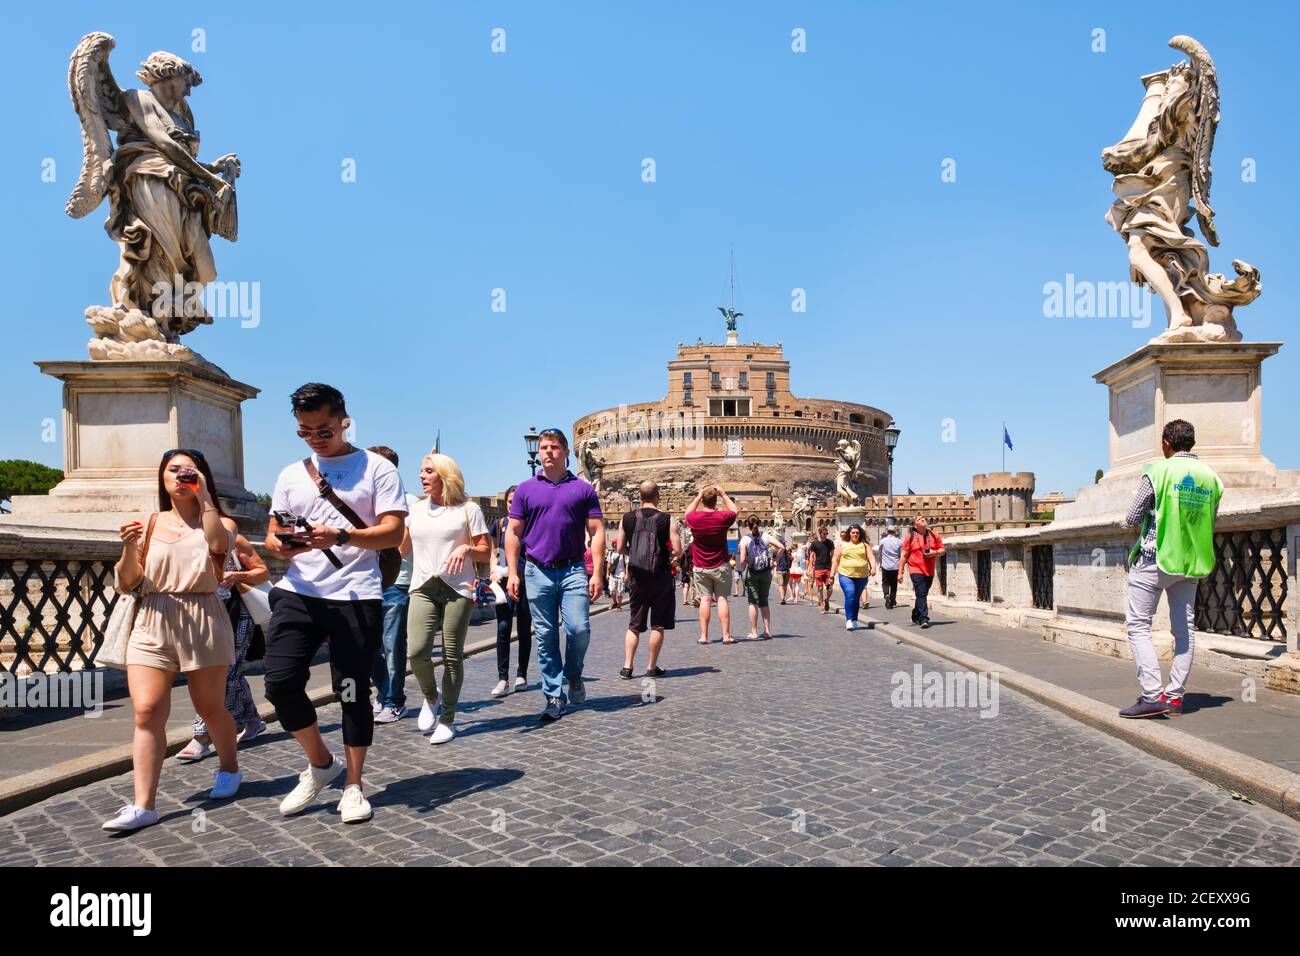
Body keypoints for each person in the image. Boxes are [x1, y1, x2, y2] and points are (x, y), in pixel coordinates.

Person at [262, 383, 408, 824]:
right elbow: (271, 534)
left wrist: (340, 535)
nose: (315, 438)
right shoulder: (291, 474)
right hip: (299, 590)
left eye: (323, 429)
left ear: (344, 419)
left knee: (351, 691)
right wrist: (282, 547)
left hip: (355, 594)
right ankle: (322, 765)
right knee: (280, 683)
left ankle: (354, 786)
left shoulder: (377, 468)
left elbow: (392, 534)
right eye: (305, 431)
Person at [103, 449, 243, 832]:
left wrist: (205, 498)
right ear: (161, 477)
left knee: (209, 707)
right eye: (172, 469)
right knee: (146, 711)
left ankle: (229, 766)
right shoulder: (148, 522)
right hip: (152, 617)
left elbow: (217, 548)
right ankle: (143, 804)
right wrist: (129, 547)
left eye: (189, 470)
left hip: (202, 616)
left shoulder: (221, 523)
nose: (180, 475)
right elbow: (127, 580)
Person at [1118, 420, 1223, 719]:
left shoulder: (1158, 470)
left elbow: (1133, 516)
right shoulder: (1212, 478)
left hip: (1155, 557)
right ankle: (1174, 698)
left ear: (1166, 442)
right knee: (1184, 630)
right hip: (1192, 563)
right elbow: (1210, 518)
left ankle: (1151, 695)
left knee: (1139, 626)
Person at [506, 428, 605, 722]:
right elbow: (513, 532)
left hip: (573, 568)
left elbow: (597, 532)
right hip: (537, 570)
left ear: (565, 453)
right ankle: (553, 694)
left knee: (578, 629)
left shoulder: (583, 490)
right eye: (543, 447)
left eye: (554, 447)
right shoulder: (525, 489)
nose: (547, 451)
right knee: (546, 635)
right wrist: (513, 572)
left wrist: (597, 572)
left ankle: (573, 674)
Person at [407, 452, 491, 745]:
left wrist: (466, 549)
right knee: (417, 651)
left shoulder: (469, 510)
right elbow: (398, 547)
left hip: (458, 587)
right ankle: (432, 697)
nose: (422, 476)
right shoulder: (415, 511)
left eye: (428, 471)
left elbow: (484, 550)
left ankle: (448, 719)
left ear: (445, 475)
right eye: (421, 471)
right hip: (422, 585)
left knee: (452, 654)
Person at [176, 508, 271, 761]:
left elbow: (263, 572)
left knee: (222, 672)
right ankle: (253, 720)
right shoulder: (186, 540)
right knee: (230, 672)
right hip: (201, 615)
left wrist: (237, 575)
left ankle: (201, 736)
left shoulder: (234, 539)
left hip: (238, 613)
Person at [368, 445, 420, 725]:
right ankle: (383, 691)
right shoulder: (365, 500)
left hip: (395, 583)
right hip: (366, 583)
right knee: (369, 645)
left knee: (392, 644)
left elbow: (405, 537)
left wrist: (388, 566)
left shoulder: (407, 500)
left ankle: (395, 700)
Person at [615, 480, 681, 679]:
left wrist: (633, 553)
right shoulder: (668, 519)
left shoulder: (626, 518)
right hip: (660, 576)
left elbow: (619, 549)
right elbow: (678, 550)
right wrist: (668, 558)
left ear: (639, 495)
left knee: (634, 624)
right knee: (658, 624)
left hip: (637, 577)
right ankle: (652, 667)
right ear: (658, 495)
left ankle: (627, 667)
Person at [489, 485, 532, 697]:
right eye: (509, 502)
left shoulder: (530, 524)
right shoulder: (499, 524)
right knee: (503, 629)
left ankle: (521, 674)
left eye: (516, 501)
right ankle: (502, 679)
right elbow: (494, 550)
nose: (512, 505)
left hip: (526, 583)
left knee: (524, 629)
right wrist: (493, 569)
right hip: (504, 583)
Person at [684, 485, 738, 644]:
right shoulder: (722, 517)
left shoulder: (694, 519)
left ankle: (704, 636)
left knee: (705, 600)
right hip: (720, 564)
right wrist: (724, 493)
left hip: (700, 566)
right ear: (716, 501)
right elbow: (735, 511)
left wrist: (698, 496)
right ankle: (726, 636)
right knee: (722, 599)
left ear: (703, 502)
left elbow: (687, 513)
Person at [739, 518, 782, 639]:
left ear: (748, 525)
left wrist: (743, 568)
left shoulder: (745, 539)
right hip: (766, 572)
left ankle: (754, 632)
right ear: (759, 523)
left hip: (752, 572)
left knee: (753, 602)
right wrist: (775, 561)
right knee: (764, 600)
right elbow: (782, 547)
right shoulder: (766, 536)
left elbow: (742, 560)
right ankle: (767, 631)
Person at [898, 516, 945, 629]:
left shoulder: (934, 535)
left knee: (921, 593)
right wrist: (900, 572)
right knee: (922, 592)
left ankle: (916, 613)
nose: (922, 519)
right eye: (919, 519)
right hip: (915, 569)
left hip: (929, 570)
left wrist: (935, 552)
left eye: (923, 518)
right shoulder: (910, 537)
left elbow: (943, 550)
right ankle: (924, 618)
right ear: (915, 525)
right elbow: (904, 555)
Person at [831, 524, 879, 631]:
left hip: (862, 576)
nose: (855, 534)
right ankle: (849, 620)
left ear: (860, 533)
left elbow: (871, 557)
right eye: (853, 532)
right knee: (850, 595)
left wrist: (873, 568)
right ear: (849, 534)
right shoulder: (842, 545)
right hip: (845, 574)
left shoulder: (865, 545)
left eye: (857, 532)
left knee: (856, 598)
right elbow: (835, 559)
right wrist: (832, 574)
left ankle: (855, 620)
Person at [807, 526, 837, 613]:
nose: (826, 535)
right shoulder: (814, 544)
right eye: (824, 534)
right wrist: (810, 569)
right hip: (818, 568)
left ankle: (827, 600)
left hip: (828, 568)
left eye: (827, 533)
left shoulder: (830, 543)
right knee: (820, 588)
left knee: (830, 587)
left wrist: (833, 565)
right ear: (820, 533)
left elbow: (833, 555)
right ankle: (822, 607)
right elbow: (812, 556)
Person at [879, 527, 902, 610]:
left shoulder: (883, 541)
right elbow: (900, 555)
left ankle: (886, 594)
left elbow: (880, 553)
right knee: (893, 585)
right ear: (895, 532)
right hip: (895, 566)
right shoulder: (899, 542)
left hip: (885, 566)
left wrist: (881, 564)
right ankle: (892, 602)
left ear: (887, 532)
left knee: (885, 582)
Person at [607, 544, 627, 610]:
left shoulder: (624, 553)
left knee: (620, 591)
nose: (613, 545)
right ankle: (615, 603)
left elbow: (627, 565)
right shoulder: (611, 553)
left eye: (615, 544)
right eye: (613, 544)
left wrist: (626, 574)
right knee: (612, 590)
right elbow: (609, 564)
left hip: (621, 575)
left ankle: (619, 606)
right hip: (613, 575)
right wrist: (607, 574)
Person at [774, 537, 791, 604]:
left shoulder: (787, 551)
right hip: (779, 570)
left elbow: (791, 559)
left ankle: (783, 596)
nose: (785, 544)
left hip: (787, 570)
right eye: (783, 543)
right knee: (781, 585)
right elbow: (774, 561)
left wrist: (787, 553)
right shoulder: (775, 552)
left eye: (785, 543)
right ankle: (782, 598)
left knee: (785, 585)